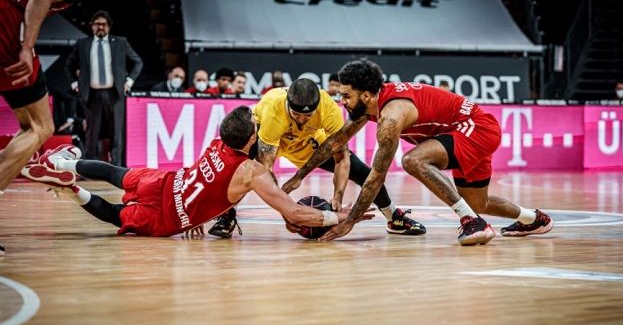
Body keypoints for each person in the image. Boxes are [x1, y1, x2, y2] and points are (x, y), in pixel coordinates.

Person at [282, 59, 553, 245]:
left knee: (412, 160)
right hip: (466, 132)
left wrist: (350, 222)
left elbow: (376, 177)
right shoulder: (371, 106)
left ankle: (471, 221)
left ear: (365, 95)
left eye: (346, 96)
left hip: (476, 129)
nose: (341, 101)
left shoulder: (391, 117)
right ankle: (533, 219)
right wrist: (300, 175)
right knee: (478, 202)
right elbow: (335, 142)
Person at [20, 106, 372, 236]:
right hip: (171, 216)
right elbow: (293, 212)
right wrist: (340, 217)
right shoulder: (251, 171)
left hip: (165, 182)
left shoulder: (218, 142)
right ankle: (72, 190)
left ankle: (61, 164)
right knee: (115, 215)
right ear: (252, 139)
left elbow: (212, 181)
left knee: (114, 172)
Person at [208, 78, 425, 238]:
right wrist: (287, 214)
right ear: (288, 106)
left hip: (307, 142)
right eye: (297, 115)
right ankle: (226, 216)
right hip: (272, 140)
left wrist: (337, 196)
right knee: (243, 169)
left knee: (363, 172)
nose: (302, 119)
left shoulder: (328, 109)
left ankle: (393, 218)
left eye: (307, 116)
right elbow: (267, 170)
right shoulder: (274, 109)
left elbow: (342, 158)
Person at [0, 0, 94, 193]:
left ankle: (14, 160)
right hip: (7, 28)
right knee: (40, 127)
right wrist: (27, 47)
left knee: (29, 125)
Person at [65, 10, 143, 166]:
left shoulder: (120, 42)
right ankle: (89, 168)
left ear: (109, 26)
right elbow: (68, 65)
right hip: (91, 94)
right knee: (91, 133)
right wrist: (75, 83)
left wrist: (129, 81)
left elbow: (137, 62)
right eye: (97, 24)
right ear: (92, 26)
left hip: (114, 93)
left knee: (116, 133)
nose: (100, 27)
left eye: (104, 24)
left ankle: (117, 168)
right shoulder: (83, 44)